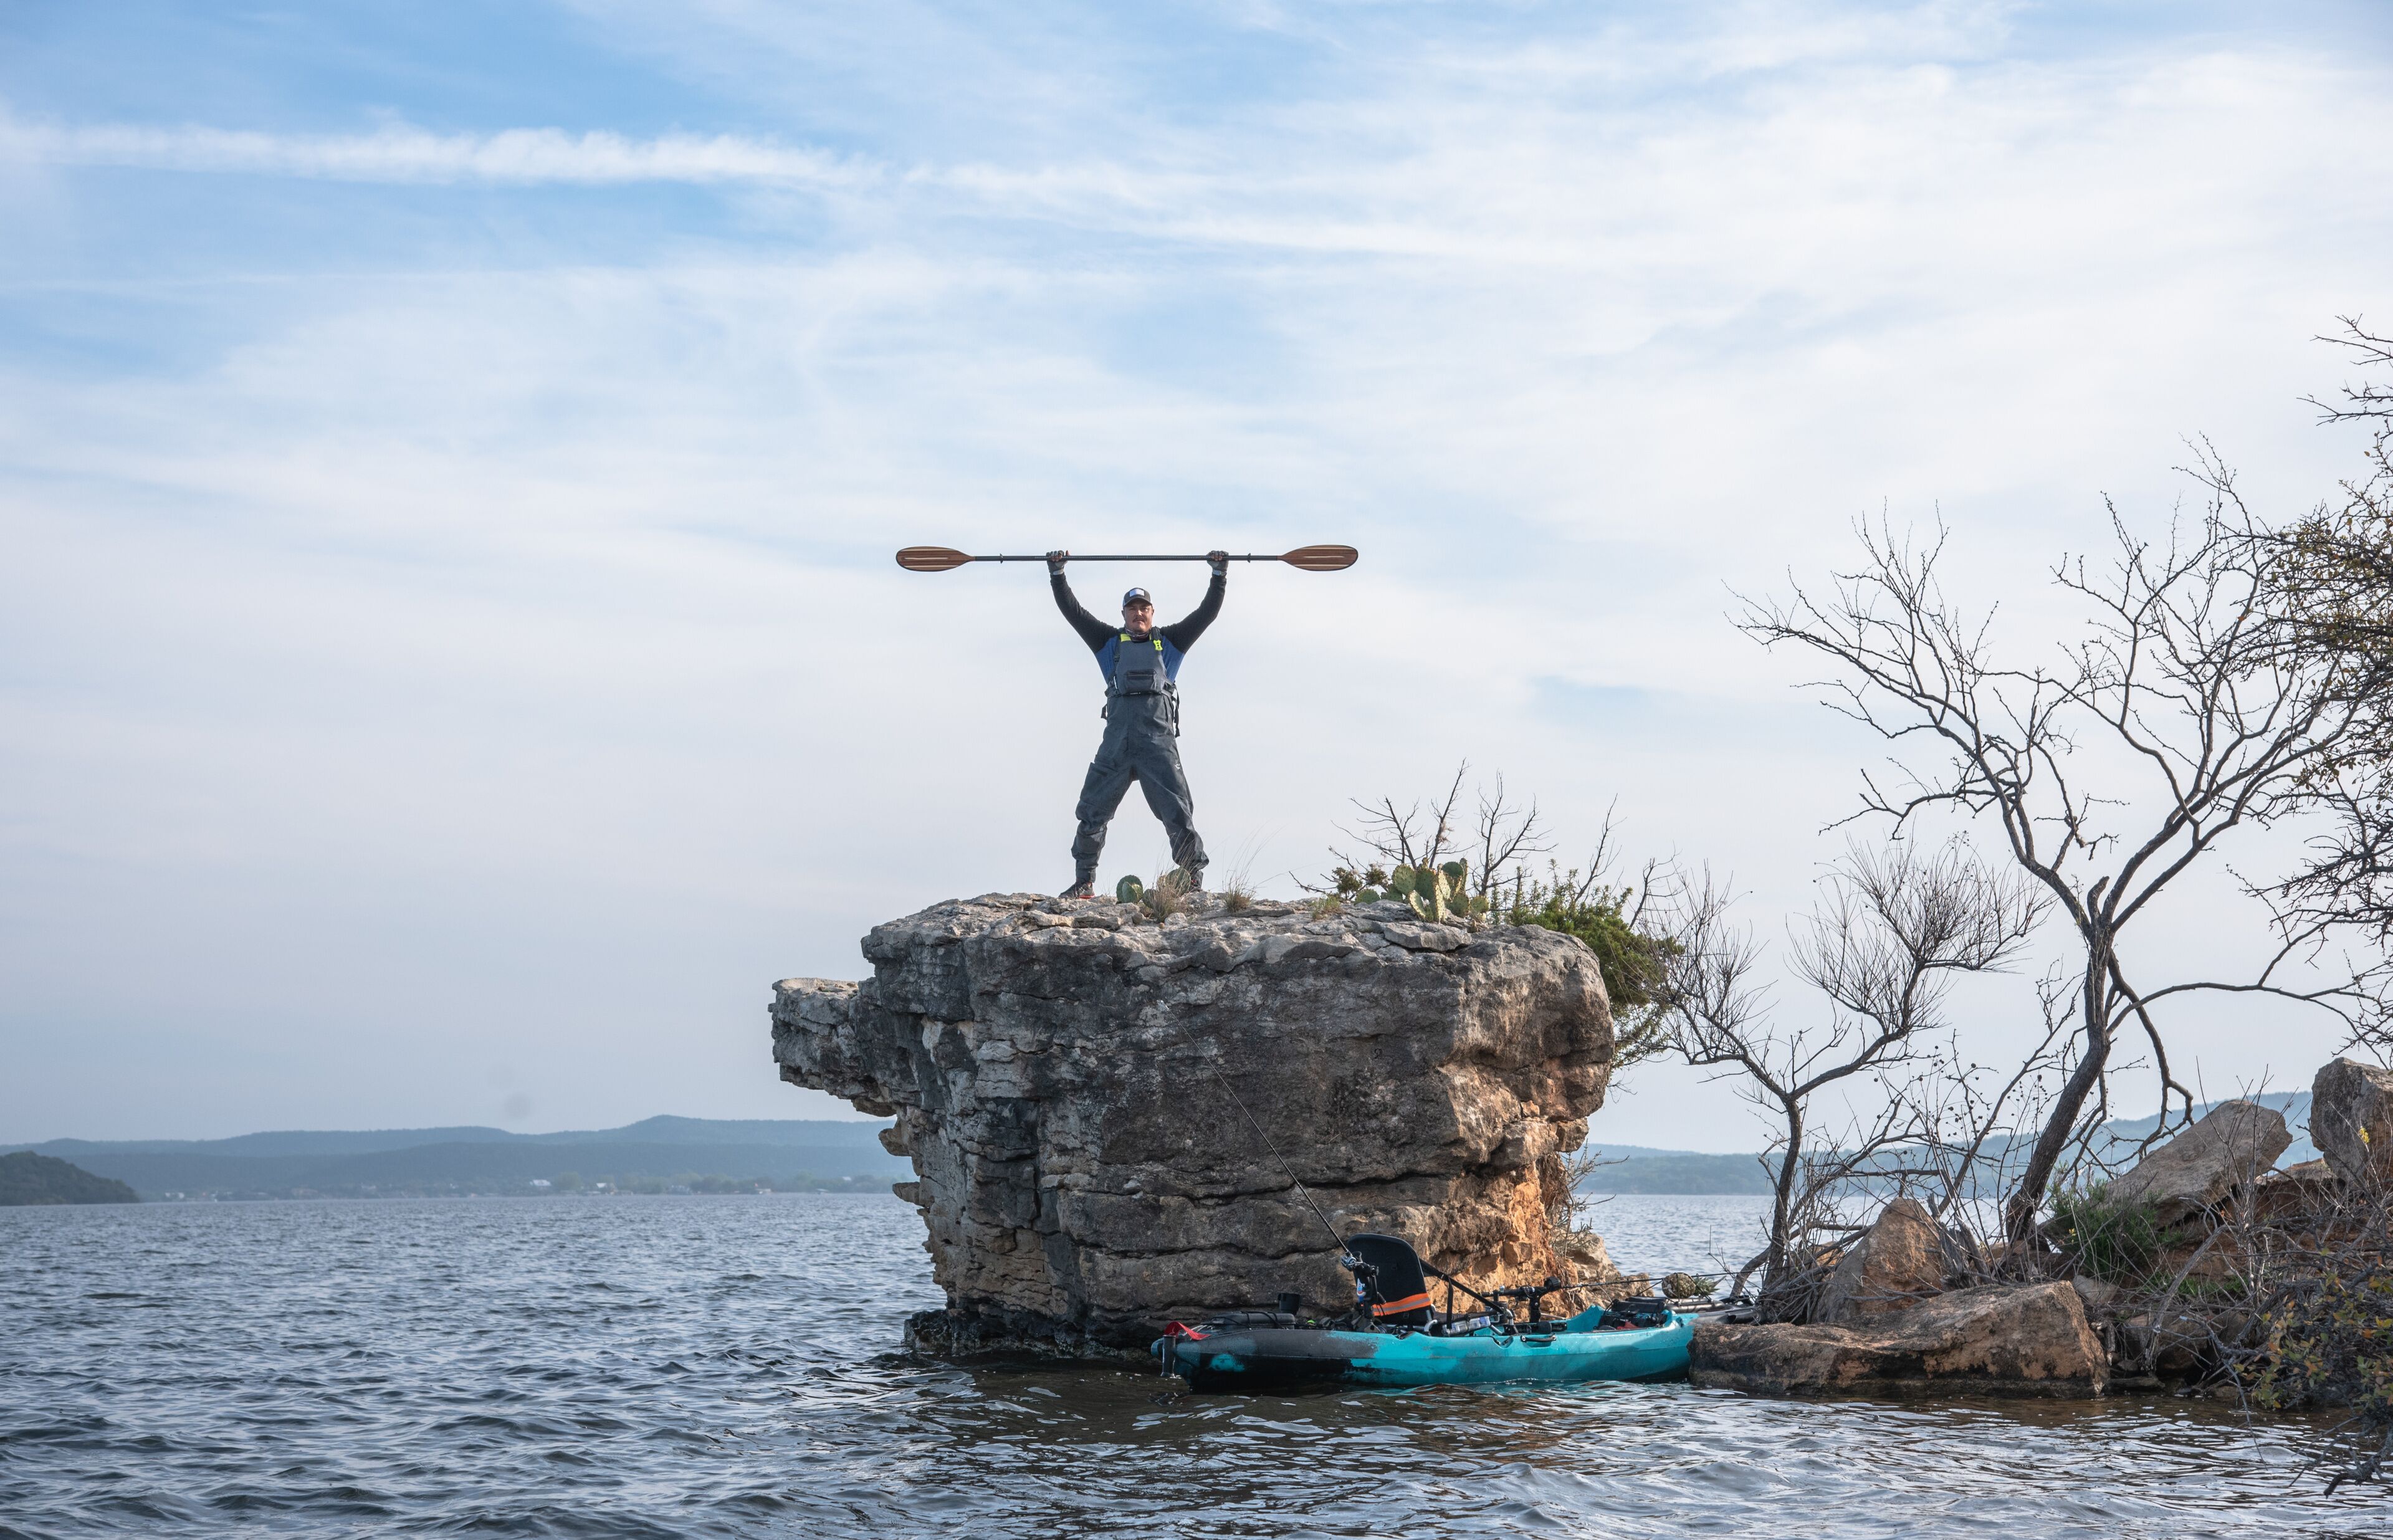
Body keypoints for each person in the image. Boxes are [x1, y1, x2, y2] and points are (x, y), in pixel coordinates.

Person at [1047, 548, 1227, 899]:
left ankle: (1191, 880)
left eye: (1144, 608)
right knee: (1092, 812)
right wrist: (1058, 573)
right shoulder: (1108, 644)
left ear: (1152, 612)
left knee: (1178, 812)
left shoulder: (1170, 643)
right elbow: (1073, 612)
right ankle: (1084, 882)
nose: (1139, 613)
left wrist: (1218, 575)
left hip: (1157, 745)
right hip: (1116, 746)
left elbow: (1207, 614)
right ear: (1125, 615)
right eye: (1133, 609)